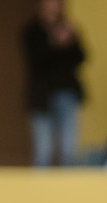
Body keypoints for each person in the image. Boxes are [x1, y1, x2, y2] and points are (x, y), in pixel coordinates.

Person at [23, 0, 87, 168]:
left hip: (67, 91)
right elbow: (34, 60)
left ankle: (69, 188)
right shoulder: (32, 30)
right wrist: (54, 43)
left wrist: (71, 40)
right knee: (43, 148)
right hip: (41, 95)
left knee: (68, 147)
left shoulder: (68, 28)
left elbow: (82, 58)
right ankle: (39, 189)